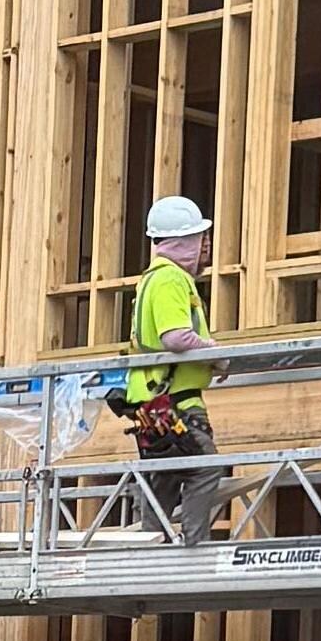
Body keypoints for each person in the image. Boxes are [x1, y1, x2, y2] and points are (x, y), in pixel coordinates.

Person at [117, 188, 226, 539]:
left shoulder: (154, 278)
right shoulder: (170, 278)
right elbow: (176, 337)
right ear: (183, 242)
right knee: (205, 467)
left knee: (162, 480)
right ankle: (194, 548)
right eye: (200, 237)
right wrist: (215, 353)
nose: (205, 245)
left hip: (153, 403)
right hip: (172, 401)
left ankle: (150, 549)